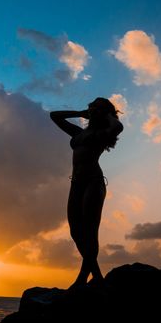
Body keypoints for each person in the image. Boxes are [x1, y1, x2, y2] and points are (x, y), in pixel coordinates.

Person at [50, 97, 123, 287]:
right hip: (76, 183)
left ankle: (84, 276)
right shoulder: (78, 133)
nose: (92, 108)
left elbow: (117, 127)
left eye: (96, 107)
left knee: (90, 231)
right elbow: (54, 116)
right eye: (92, 106)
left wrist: (107, 114)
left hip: (93, 182)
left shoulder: (103, 132)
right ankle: (97, 276)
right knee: (75, 231)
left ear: (104, 112)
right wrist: (79, 113)